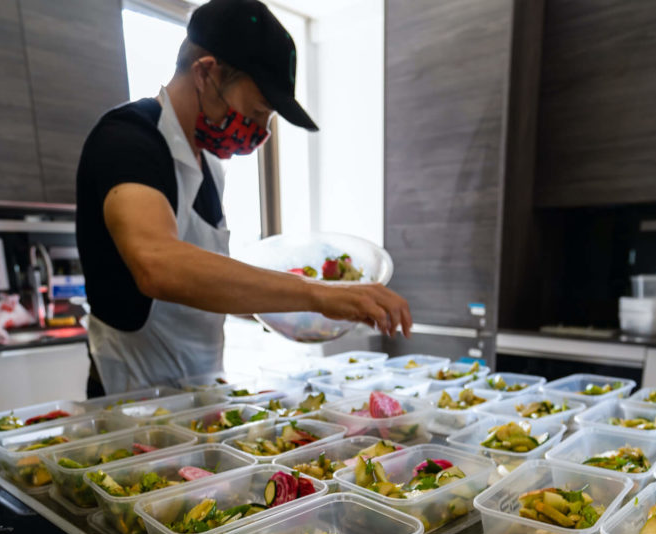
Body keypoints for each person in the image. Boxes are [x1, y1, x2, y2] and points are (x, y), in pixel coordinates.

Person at [76, 0, 411, 395]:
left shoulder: (208, 168)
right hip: (130, 395)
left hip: (198, 392)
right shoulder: (127, 141)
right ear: (205, 72)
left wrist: (297, 308)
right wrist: (318, 295)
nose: (258, 132)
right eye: (255, 113)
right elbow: (158, 264)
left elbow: (208, 280)